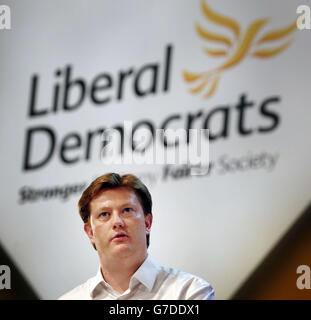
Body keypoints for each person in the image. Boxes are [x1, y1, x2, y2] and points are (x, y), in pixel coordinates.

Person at [59, 172, 214, 300]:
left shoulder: (189, 292)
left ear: (147, 223)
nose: (117, 222)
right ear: (90, 233)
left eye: (126, 210)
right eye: (104, 214)